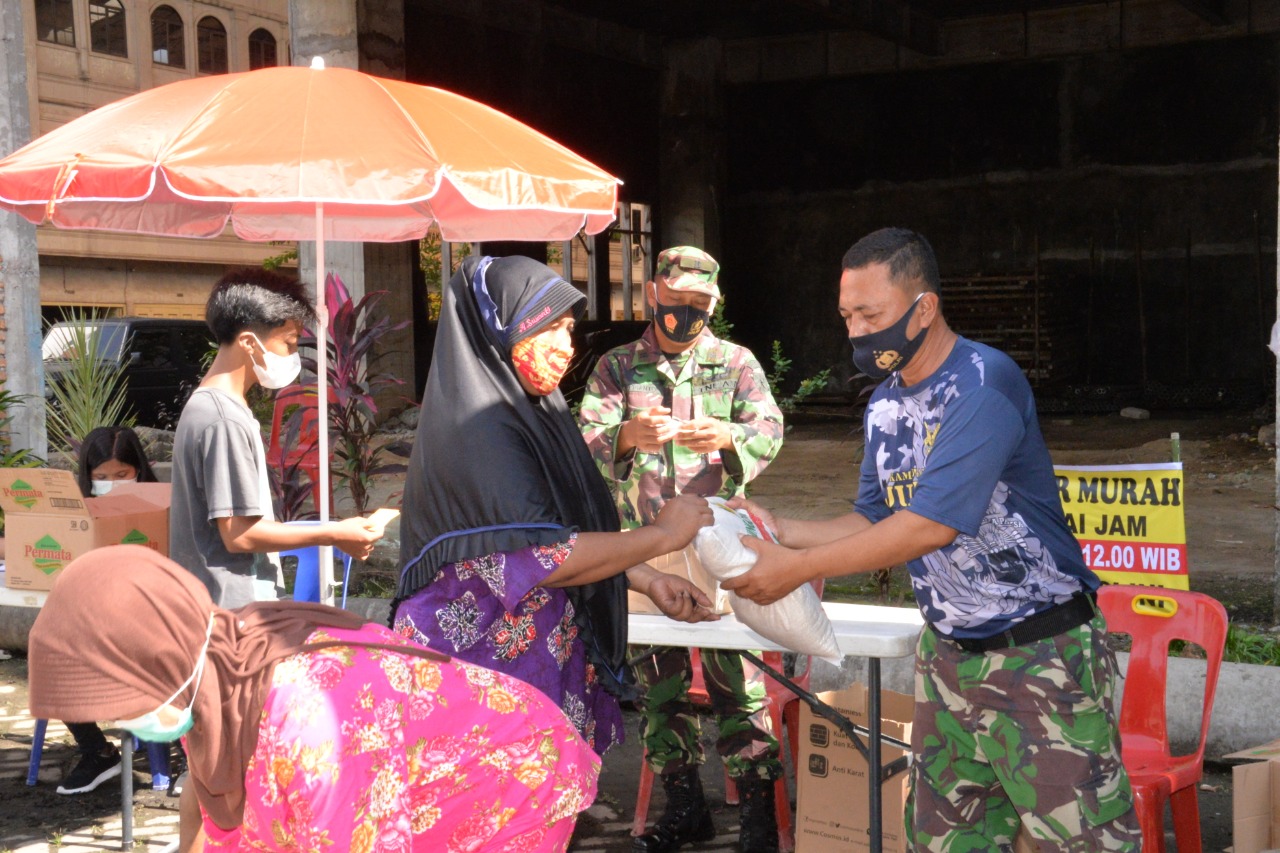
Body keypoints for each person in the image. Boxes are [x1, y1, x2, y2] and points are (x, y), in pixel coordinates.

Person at [722, 228, 1141, 852]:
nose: (857, 331)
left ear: (924, 308)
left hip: (1039, 656)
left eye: (872, 314)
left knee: (1082, 844)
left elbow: (928, 526)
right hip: (948, 659)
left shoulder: (981, 383)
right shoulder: (886, 405)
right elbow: (873, 516)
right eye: (846, 315)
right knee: (947, 843)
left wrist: (796, 566)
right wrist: (779, 529)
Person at [27, 545, 600, 852]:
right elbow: (210, 814)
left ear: (152, 659)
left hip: (512, 780)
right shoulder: (217, 665)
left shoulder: (311, 720)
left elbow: (359, 839)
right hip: (395, 783)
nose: (124, 725)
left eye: (120, 703)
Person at [393, 254, 716, 759]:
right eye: (551, 328)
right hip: (477, 678)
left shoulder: (535, 413)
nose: (567, 347)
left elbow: (558, 528)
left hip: (535, 667)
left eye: (570, 329)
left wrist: (648, 578)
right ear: (501, 327)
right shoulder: (479, 430)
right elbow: (541, 559)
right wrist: (661, 538)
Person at [578, 246, 786, 853]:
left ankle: (756, 816)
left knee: (738, 685)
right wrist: (623, 437)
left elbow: (769, 431)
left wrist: (730, 438)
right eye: (676, 303)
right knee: (657, 683)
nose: (685, 316)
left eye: (699, 306)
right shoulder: (618, 367)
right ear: (652, 296)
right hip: (643, 554)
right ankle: (686, 804)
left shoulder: (735, 362)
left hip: (720, 548)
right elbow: (584, 440)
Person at [170, 267, 382, 609]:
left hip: (219, 604)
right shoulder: (223, 419)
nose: (293, 356)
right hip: (233, 611)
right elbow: (241, 533)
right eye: (288, 343)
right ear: (249, 343)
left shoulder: (213, 407)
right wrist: (335, 533)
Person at [55, 425, 162, 795]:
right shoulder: (76, 512)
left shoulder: (165, 507)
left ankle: (181, 750)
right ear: (88, 477)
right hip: (98, 618)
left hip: (155, 623)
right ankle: (97, 752)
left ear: (140, 471)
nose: (112, 484)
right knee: (51, 652)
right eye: (101, 478)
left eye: (122, 475)